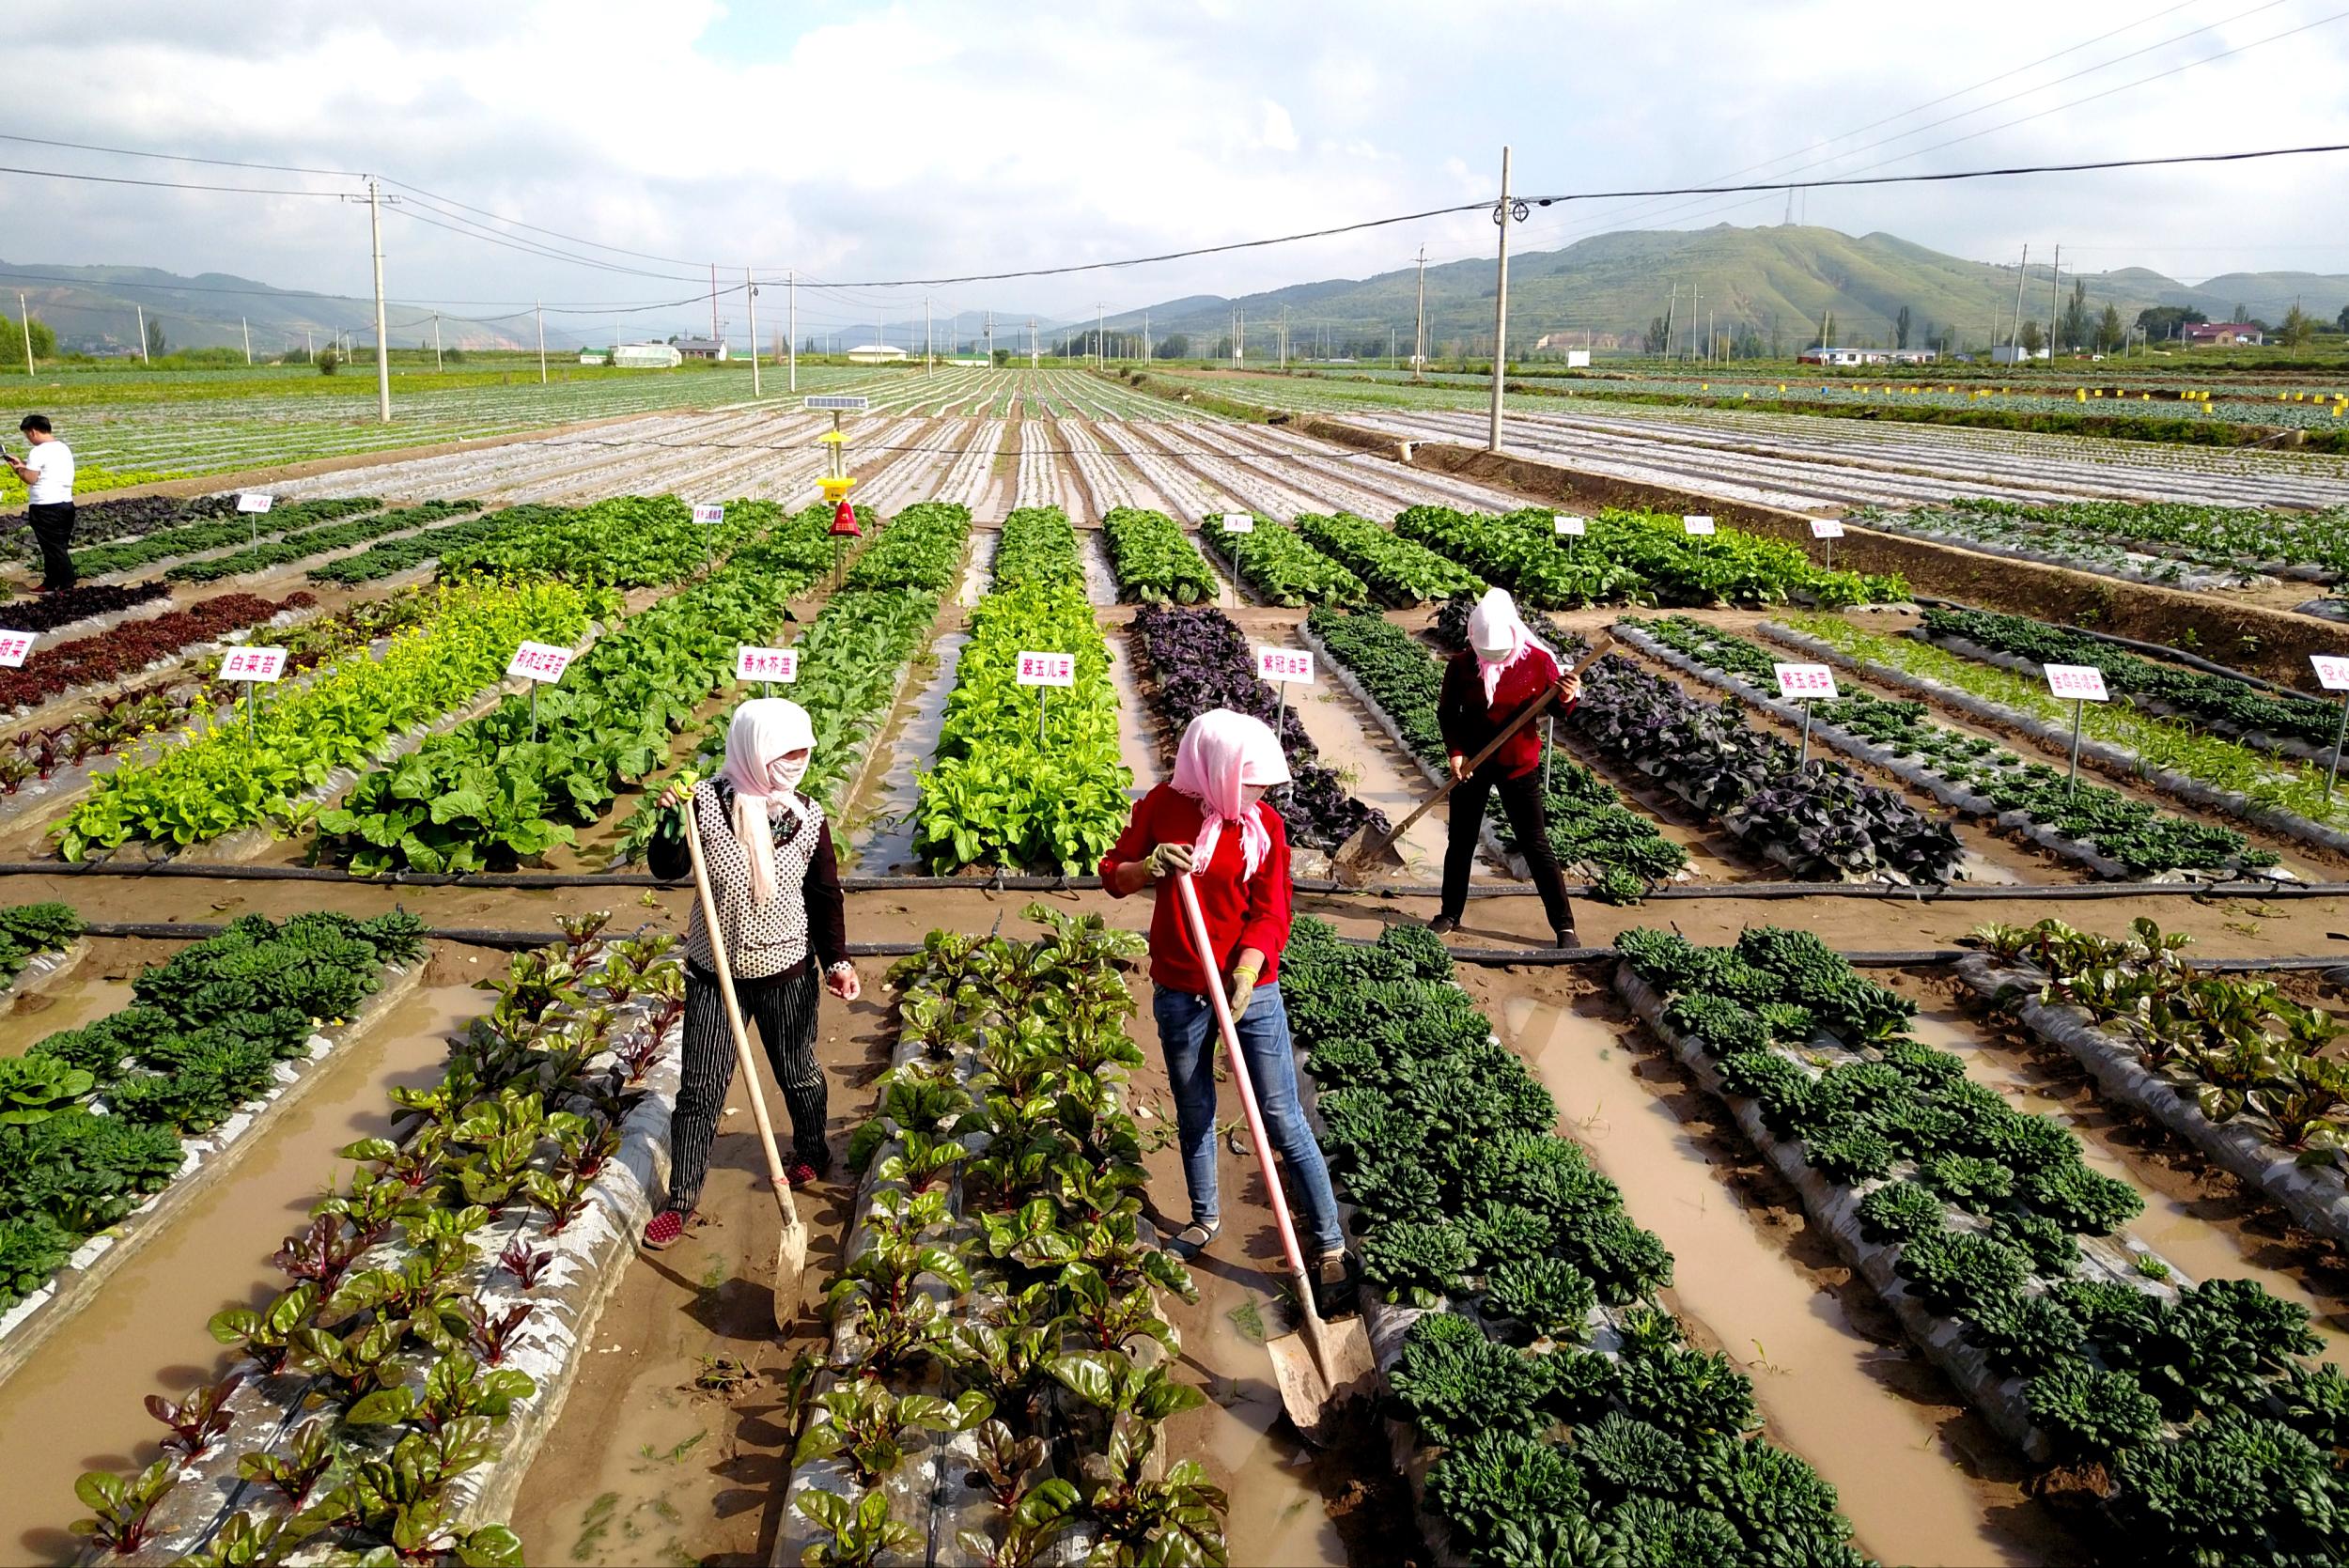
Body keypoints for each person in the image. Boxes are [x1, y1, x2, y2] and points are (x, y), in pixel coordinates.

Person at [1101, 708, 1352, 1299]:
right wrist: (1148, 866)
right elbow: (1113, 876)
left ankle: (1329, 1242)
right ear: (1215, 770)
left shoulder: (1264, 826)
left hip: (1251, 987)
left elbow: (1272, 909)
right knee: (1195, 1109)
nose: (1257, 795)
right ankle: (1204, 1217)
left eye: (1262, 785)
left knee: (1282, 1115)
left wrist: (1247, 968)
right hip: (1181, 987)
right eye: (1249, 783)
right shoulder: (1162, 807)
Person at [642, 698, 859, 1250]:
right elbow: (666, 869)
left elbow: (824, 895)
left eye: (803, 752)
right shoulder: (703, 805)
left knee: (799, 1073)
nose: (797, 763)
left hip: (787, 973)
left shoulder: (807, 817)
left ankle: (811, 1149)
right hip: (715, 977)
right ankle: (682, 1197)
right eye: (786, 753)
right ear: (753, 749)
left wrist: (836, 961)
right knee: (700, 1089)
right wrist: (669, 824)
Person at [1433, 586, 1581, 948]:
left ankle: (1564, 926)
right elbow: (1448, 714)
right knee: (1461, 840)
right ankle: (1450, 912)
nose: (1492, 659)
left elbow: (1558, 709)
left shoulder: (1537, 662)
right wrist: (1456, 753)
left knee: (1535, 844)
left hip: (1517, 764)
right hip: (1472, 764)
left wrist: (1566, 695)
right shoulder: (1462, 665)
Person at [5, 415, 76, 593]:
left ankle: (67, 586)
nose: (28, 438)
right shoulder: (63, 448)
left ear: (33, 431)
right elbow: (45, 471)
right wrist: (24, 465)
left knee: (54, 549)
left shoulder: (38, 451)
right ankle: (51, 582)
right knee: (57, 546)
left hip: (45, 506)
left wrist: (18, 469)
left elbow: (30, 478)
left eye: (27, 435)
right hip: (65, 504)